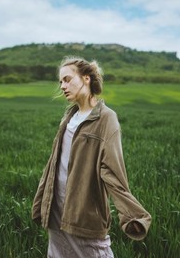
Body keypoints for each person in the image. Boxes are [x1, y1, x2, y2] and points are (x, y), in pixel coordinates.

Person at [32, 56, 151, 257]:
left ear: (86, 78)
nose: (62, 86)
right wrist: (41, 201)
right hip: (56, 207)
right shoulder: (69, 116)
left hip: (83, 211)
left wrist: (132, 214)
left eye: (67, 79)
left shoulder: (106, 118)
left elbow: (112, 170)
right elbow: (53, 164)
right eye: (60, 81)